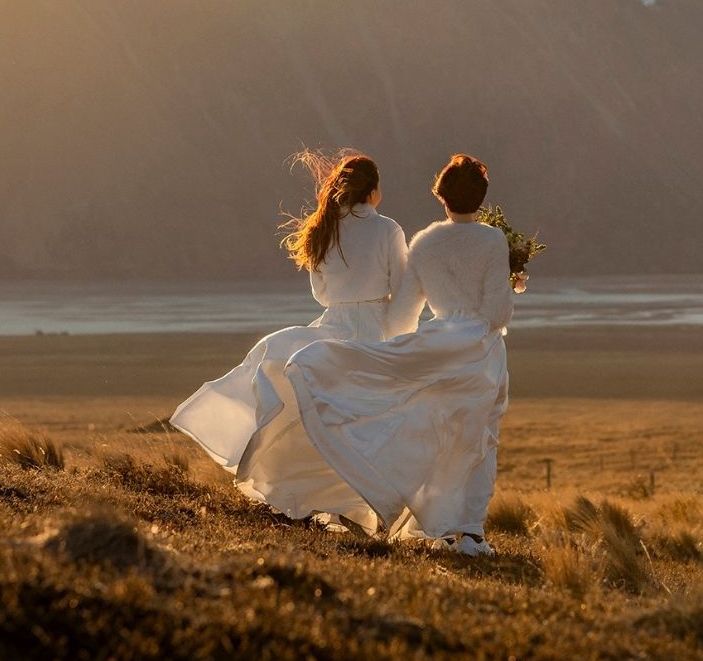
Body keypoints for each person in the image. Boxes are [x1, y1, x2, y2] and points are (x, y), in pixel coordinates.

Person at [283, 154, 516, 556]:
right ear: (481, 199)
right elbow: (498, 312)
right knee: (480, 440)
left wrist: (402, 354)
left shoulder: (424, 242)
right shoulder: (493, 241)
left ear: (442, 198)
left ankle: (437, 527)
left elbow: (403, 314)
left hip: (439, 348)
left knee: (438, 439)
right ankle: (472, 533)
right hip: (481, 351)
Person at [170, 151, 407, 533]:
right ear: (374, 191)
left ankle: (327, 503)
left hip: (334, 326)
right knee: (368, 423)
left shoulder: (325, 227)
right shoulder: (388, 230)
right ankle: (361, 508)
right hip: (374, 332)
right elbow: (403, 287)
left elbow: (321, 294)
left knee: (319, 418)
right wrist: (398, 335)